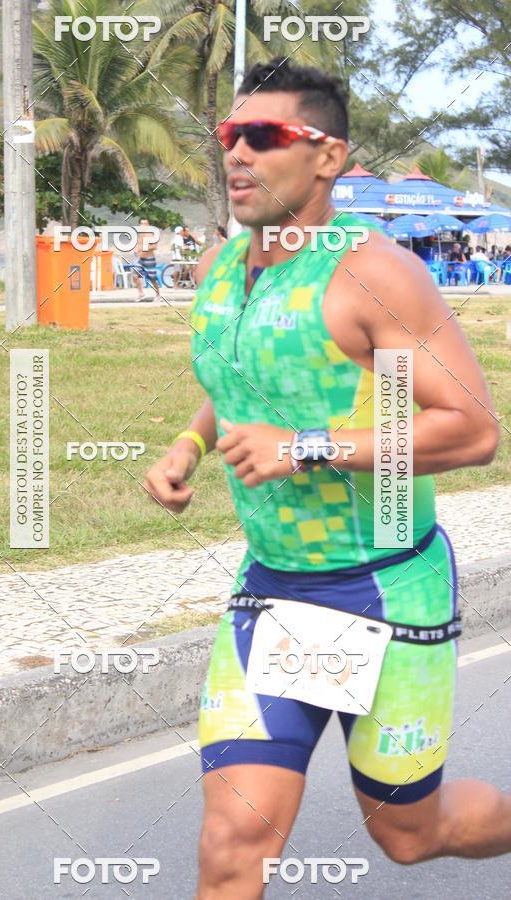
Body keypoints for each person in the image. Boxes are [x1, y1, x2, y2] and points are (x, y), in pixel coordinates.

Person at [144, 57, 509, 899]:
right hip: (273, 591)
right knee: (232, 840)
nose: (236, 152)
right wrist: (189, 447)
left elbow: (472, 430)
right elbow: (238, 381)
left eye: (265, 136)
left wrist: (302, 446)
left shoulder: (372, 275)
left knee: (410, 837)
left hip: (384, 586)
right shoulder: (221, 273)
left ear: (328, 158)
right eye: (228, 134)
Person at [133, 217, 160, 302]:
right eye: (142, 224)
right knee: (135, 275)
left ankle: (158, 295)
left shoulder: (150, 234)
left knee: (152, 279)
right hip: (140, 259)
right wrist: (136, 251)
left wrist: (144, 248)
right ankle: (141, 293)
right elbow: (138, 245)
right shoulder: (140, 234)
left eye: (145, 224)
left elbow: (155, 246)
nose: (143, 225)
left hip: (149, 259)